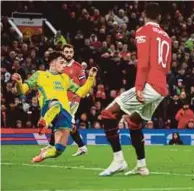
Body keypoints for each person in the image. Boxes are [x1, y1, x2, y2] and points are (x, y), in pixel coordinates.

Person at [99, 3, 171, 176]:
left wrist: (139, 87)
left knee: (107, 115)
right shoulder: (166, 36)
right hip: (161, 87)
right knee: (134, 122)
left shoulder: (143, 32)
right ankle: (141, 166)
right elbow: (167, 66)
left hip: (150, 85)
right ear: (159, 18)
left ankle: (118, 161)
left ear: (144, 15)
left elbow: (143, 63)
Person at [12, 51, 96, 163]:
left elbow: (81, 92)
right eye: (61, 62)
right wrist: (18, 83)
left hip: (65, 114)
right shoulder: (39, 75)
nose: (64, 66)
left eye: (65, 64)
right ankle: (44, 123)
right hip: (49, 107)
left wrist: (90, 78)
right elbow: (22, 90)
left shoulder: (65, 78)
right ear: (52, 63)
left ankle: (43, 155)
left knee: (59, 150)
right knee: (56, 104)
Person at [43, 44, 88, 157]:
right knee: (67, 123)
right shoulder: (59, 66)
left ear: (73, 53)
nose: (68, 54)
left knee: (59, 120)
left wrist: (78, 94)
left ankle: (51, 145)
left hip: (72, 100)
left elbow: (84, 85)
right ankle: (82, 147)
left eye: (70, 52)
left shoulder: (78, 67)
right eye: (66, 52)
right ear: (62, 53)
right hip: (61, 98)